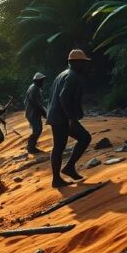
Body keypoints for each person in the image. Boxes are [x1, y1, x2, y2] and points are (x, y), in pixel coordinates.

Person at [47, 49, 93, 187]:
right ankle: (57, 178)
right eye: (83, 63)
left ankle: (69, 168)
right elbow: (63, 97)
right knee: (63, 146)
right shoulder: (72, 76)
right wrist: (71, 119)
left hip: (57, 115)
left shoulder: (63, 74)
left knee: (81, 139)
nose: (85, 66)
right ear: (75, 63)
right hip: (61, 118)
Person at [24, 73, 47, 154]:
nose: (42, 82)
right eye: (41, 81)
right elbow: (35, 103)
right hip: (32, 113)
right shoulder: (34, 89)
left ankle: (31, 146)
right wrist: (44, 112)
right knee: (37, 130)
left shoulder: (35, 88)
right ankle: (31, 147)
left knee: (38, 129)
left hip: (33, 112)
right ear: (36, 81)